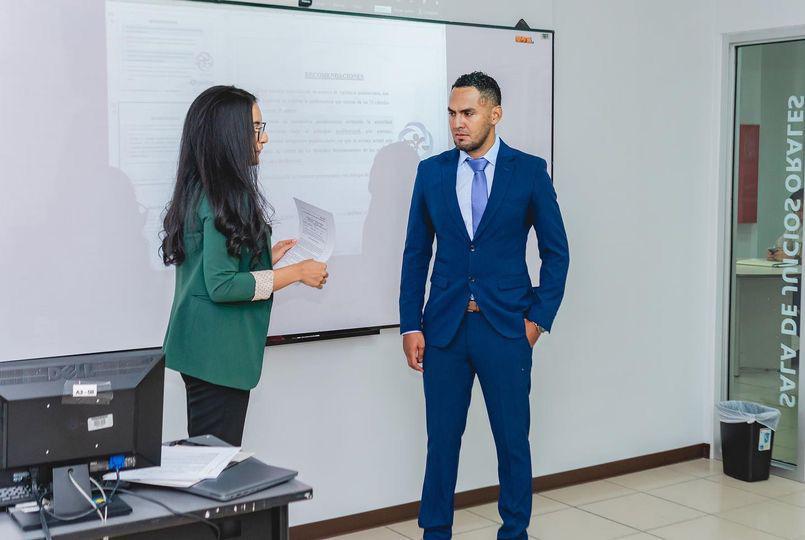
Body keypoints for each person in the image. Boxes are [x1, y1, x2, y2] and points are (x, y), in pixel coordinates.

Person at [399, 72, 569, 540]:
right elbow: (416, 254)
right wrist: (409, 325)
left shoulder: (529, 171)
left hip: (506, 330)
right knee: (442, 444)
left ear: (494, 114)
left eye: (468, 113)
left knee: (512, 441)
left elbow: (557, 253)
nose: (458, 123)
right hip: (444, 332)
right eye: (452, 113)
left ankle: (514, 531)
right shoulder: (431, 172)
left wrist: (536, 320)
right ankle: (436, 532)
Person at [161, 85, 328, 446]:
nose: (264, 137)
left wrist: (266, 255)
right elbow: (222, 286)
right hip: (216, 354)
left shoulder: (201, 187)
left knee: (209, 457)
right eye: (255, 128)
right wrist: (296, 273)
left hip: (202, 351)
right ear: (229, 134)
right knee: (213, 466)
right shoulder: (226, 194)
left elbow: (215, 261)